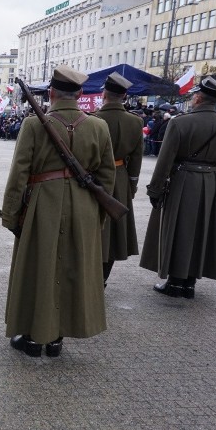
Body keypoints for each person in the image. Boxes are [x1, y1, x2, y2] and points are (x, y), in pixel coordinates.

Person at [0, 65, 115, 358]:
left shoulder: (33, 125)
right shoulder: (98, 126)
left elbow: (19, 175)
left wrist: (11, 215)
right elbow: (107, 178)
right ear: (79, 94)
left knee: (38, 268)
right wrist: (96, 216)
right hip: (84, 206)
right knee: (72, 268)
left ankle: (33, 337)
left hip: (42, 203)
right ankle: (57, 338)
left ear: (51, 92)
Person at [140, 76, 216, 299]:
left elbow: (164, 160)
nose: (193, 97)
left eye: (194, 95)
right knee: (199, 232)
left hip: (183, 179)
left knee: (179, 229)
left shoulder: (180, 122)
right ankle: (190, 284)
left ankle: (175, 282)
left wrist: (155, 189)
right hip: (210, 181)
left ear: (199, 97)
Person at [92, 72, 144, 285]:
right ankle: (103, 277)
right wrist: (131, 185)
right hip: (121, 177)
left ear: (104, 94)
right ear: (124, 97)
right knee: (114, 231)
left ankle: (91, 275)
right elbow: (137, 159)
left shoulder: (93, 119)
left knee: (93, 227)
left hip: (93, 177)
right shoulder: (135, 121)